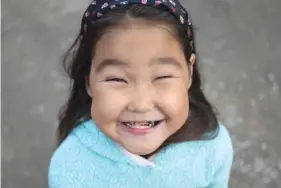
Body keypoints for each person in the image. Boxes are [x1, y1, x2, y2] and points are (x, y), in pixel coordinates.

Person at [48, 0, 233, 187]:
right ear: (88, 79)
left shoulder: (213, 146)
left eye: (162, 76)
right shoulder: (69, 168)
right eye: (116, 79)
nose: (141, 104)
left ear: (189, 72)